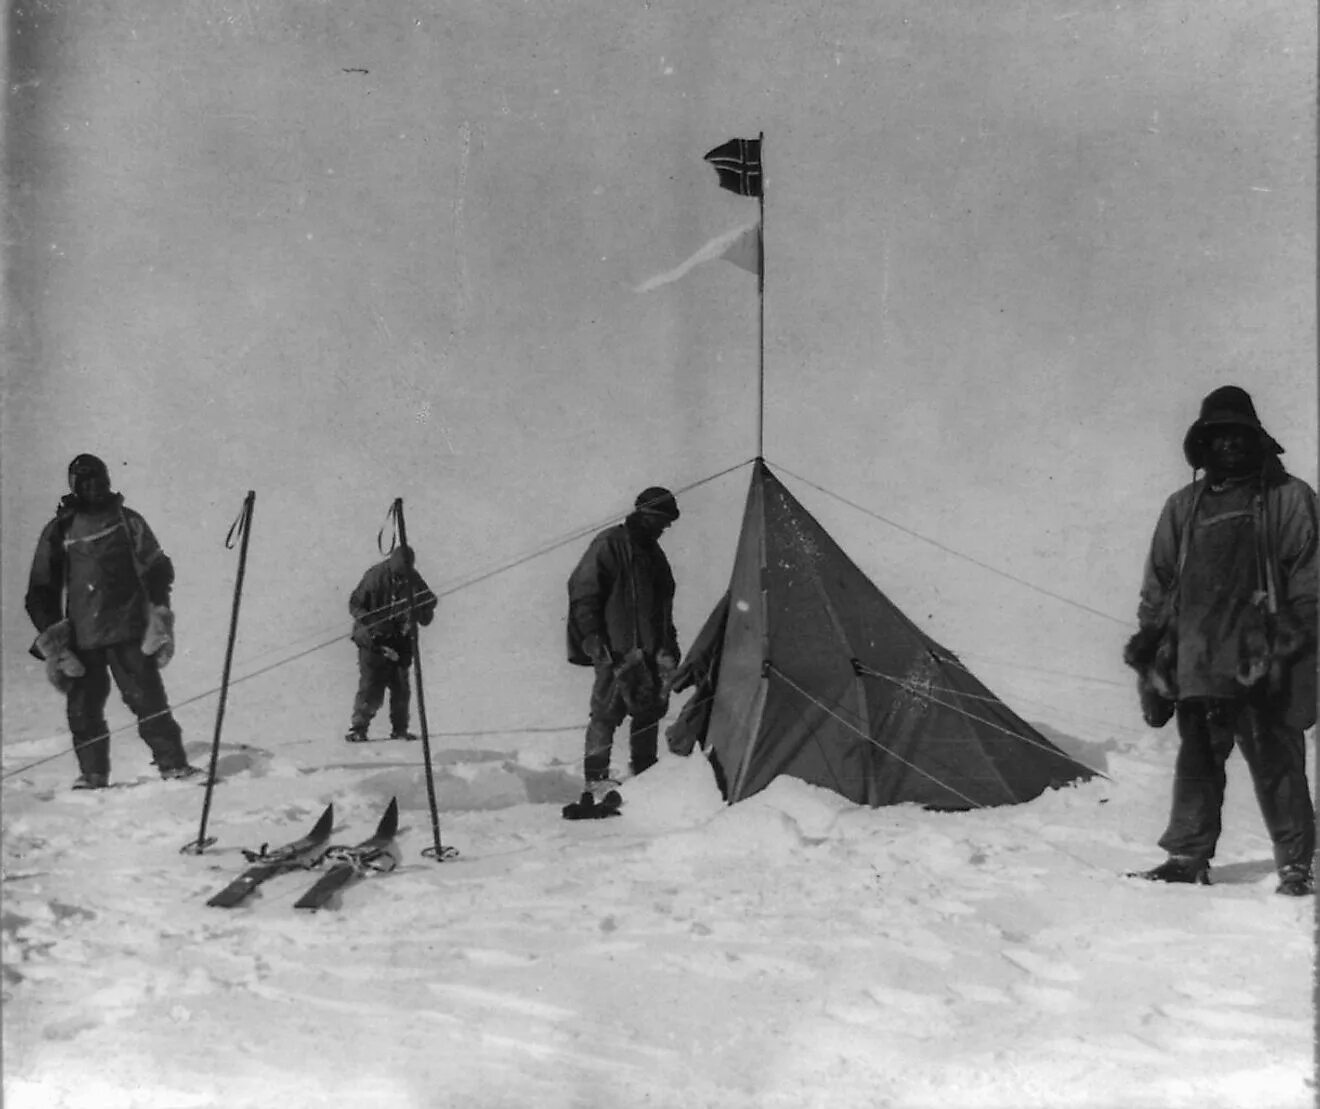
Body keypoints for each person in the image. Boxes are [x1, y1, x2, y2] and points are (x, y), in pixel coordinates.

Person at [1125, 386, 1317, 895]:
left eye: (1238, 433)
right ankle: (1187, 856)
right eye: (1218, 435)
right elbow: (1159, 582)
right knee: (1197, 763)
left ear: (1256, 438)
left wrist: (1290, 643)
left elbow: (1309, 577)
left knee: (1277, 765)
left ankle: (1295, 865)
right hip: (1197, 659)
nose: (1229, 444)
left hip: (1263, 658)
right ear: (1202, 445)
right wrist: (1155, 647)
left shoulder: (1288, 497)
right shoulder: (1182, 507)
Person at [25, 453, 197, 789]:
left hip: (129, 630)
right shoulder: (60, 529)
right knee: (83, 711)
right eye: (85, 482)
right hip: (82, 639)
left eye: (99, 479)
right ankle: (92, 776)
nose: (94, 488)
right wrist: (54, 636)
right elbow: (40, 589)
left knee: (148, 700)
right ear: (75, 487)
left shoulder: (126, 520)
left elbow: (157, 567)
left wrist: (159, 612)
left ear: (107, 480)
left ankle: (174, 766)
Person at [566, 486, 682, 795]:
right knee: (606, 712)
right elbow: (583, 592)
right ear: (644, 515)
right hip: (615, 649)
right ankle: (596, 779)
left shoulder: (654, 554)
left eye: (667, 522)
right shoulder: (610, 545)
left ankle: (645, 774)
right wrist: (591, 636)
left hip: (650, 651)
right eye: (661, 520)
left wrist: (668, 644)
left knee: (648, 711)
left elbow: (664, 607)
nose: (664, 528)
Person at [345, 545, 436, 742]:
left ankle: (400, 729)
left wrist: (417, 612)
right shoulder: (375, 576)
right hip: (372, 640)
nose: (402, 578)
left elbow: (429, 601)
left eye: (405, 574)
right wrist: (370, 623)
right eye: (399, 574)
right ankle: (358, 728)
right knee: (371, 685)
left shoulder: (413, 578)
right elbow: (355, 603)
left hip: (400, 640)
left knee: (401, 685)